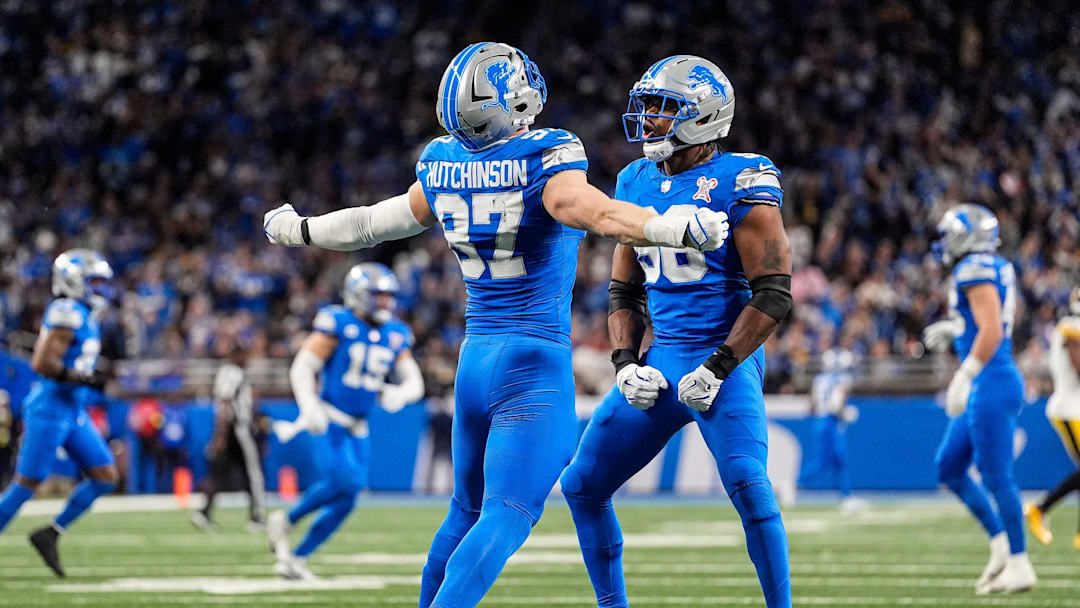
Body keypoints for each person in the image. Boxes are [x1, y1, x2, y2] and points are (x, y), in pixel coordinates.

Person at [262, 42, 730, 608]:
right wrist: (666, 226)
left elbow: (368, 224)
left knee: (464, 512)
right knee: (508, 513)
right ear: (507, 100)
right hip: (532, 360)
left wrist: (301, 231)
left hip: (476, 358)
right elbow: (596, 212)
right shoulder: (546, 155)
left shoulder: (442, 161)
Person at [557, 55, 793, 608]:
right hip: (661, 363)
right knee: (581, 486)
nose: (648, 119)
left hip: (724, 363)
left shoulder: (743, 177)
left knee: (749, 485)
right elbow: (624, 290)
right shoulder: (634, 178)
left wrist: (717, 367)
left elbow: (774, 292)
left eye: (663, 109)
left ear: (705, 117)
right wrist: (624, 364)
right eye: (647, 106)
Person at [267, 263, 424, 580]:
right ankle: (287, 521)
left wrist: (401, 394)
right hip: (330, 418)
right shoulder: (338, 321)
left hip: (359, 426)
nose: (384, 303)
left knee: (349, 496)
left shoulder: (395, 333)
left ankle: (296, 555)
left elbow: (415, 382)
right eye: (377, 296)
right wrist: (308, 405)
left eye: (387, 297)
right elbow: (302, 367)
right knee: (348, 481)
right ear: (358, 295)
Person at [922, 204, 1036, 594]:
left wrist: (965, 374)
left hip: (991, 380)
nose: (944, 242)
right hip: (992, 379)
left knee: (996, 474)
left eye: (951, 234)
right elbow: (982, 321)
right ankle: (1001, 543)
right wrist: (954, 326)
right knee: (949, 466)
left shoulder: (974, 269)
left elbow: (991, 332)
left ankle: (1020, 562)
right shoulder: (992, 265)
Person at [0, 249, 120, 577]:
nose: (102, 289)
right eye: (94, 281)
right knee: (27, 484)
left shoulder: (85, 313)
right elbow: (41, 362)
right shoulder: (67, 311)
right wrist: (82, 378)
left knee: (105, 476)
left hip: (72, 409)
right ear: (73, 281)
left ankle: (50, 533)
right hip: (50, 407)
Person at [1025, 285, 1080, 549]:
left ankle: (1044, 510)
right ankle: (1040, 509)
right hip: (1070, 409)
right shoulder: (1071, 327)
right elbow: (1078, 366)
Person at [191, 340, 266, 532]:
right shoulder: (234, 373)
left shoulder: (225, 372)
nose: (247, 359)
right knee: (252, 472)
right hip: (236, 429)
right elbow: (225, 403)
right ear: (237, 356)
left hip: (230, 428)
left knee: (219, 474)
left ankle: (204, 513)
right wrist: (221, 434)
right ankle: (257, 517)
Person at [800, 348, 864, 511]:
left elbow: (812, 406)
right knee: (833, 461)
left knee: (832, 461)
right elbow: (835, 406)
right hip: (830, 422)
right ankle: (796, 484)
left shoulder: (819, 380)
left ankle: (845, 496)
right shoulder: (842, 379)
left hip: (819, 422)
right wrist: (845, 413)